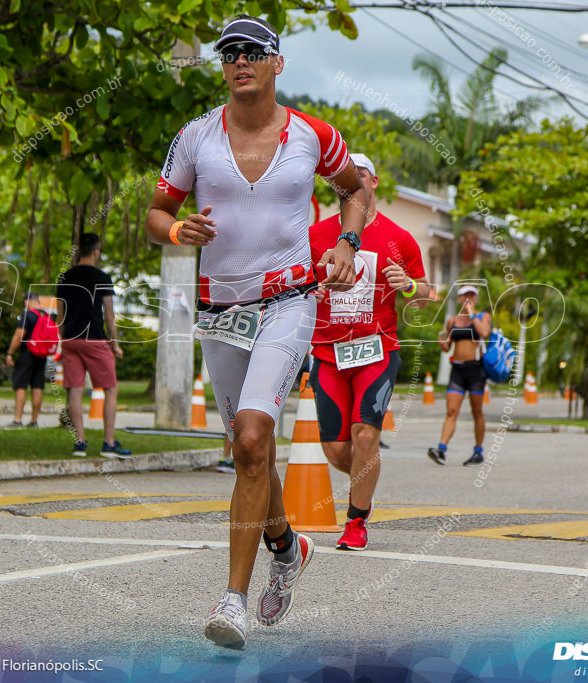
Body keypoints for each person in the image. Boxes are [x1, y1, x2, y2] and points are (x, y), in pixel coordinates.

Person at [145, 15, 365, 649]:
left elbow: (354, 192)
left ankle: (231, 602)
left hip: (289, 299)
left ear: (277, 63)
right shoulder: (194, 138)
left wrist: (347, 242)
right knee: (250, 453)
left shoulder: (312, 135)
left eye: (253, 52)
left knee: (252, 434)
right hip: (220, 308)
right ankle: (287, 546)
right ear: (223, 66)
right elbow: (157, 213)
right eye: (230, 53)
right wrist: (175, 230)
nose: (240, 61)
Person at [309, 153, 431, 551]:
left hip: (377, 352)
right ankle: (367, 481)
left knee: (365, 436)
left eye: (360, 174)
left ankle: (356, 522)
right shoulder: (315, 235)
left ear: (374, 182)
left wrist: (408, 286)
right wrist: (315, 288)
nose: (354, 180)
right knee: (337, 448)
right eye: (347, 176)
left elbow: (425, 296)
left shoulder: (399, 238)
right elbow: (296, 288)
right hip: (328, 353)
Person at [56, 233, 131, 455]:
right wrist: (114, 343)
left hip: (71, 340)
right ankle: (109, 443)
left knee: (75, 391)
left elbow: (60, 315)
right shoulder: (102, 277)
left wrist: (64, 339)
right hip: (95, 339)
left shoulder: (64, 277)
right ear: (96, 251)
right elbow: (109, 315)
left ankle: (80, 442)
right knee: (111, 389)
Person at [429, 285, 492, 466]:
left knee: (477, 412)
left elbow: (484, 332)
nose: (468, 298)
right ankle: (441, 449)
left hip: (476, 370)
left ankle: (478, 452)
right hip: (457, 370)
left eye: (472, 295)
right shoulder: (452, 321)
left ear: (476, 298)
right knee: (451, 411)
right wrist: (443, 345)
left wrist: (472, 314)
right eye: (465, 295)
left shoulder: (482, 317)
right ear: (459, 298)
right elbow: (448, 345)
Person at [6, 292, 48, 428]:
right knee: (37, 386)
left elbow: (19, 335)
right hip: (42, 355)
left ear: (26, 302)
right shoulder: (46, 315)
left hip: (27, 354)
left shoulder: (27, 315)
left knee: (20, 385)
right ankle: (34, 421)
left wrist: (10, 353)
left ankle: (17, 420)